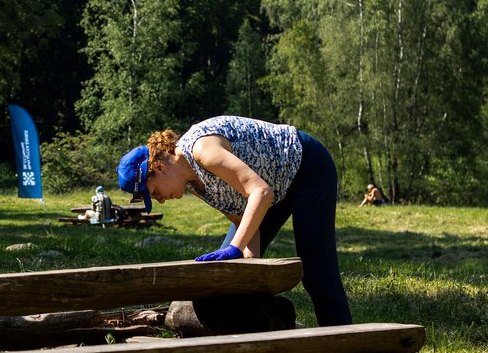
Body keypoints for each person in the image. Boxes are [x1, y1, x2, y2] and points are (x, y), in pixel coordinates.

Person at [117, 116, 352, 326]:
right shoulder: (194, 184)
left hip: (307, 168)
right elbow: (243, 219)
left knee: (317, 272)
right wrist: (250, 270)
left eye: (155, 192)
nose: (160, 201)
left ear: (158, 167)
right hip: (270, 187)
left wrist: (235, 248)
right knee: (229, 281)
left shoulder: (203, 151)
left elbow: (261, 192)